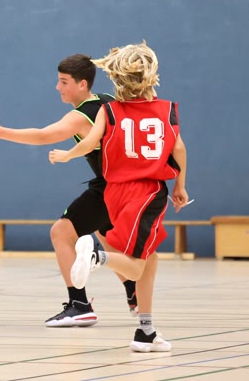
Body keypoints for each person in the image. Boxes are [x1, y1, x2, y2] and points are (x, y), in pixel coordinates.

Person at [0, 54, 137, 327]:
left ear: (82, 84)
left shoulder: (81, 116)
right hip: (131, 186)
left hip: (110, 187)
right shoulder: (108, 100)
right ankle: (134, 293)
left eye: (64, 82)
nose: (58, 87)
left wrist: (1, 132)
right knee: (105, 235)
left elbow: (43, 135)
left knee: (61, 232)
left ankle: (79, 305)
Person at [49, 41, 189, 353]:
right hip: (147, 193)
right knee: (138, 266)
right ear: (150, 76)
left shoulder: (108, 110)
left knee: (149, 258)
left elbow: (89, 143)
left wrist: (67, 155)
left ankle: (146, 330)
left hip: (114, 192)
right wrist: (180, 185)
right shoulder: (164, 110)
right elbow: (179, 149)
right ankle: (96, 258)